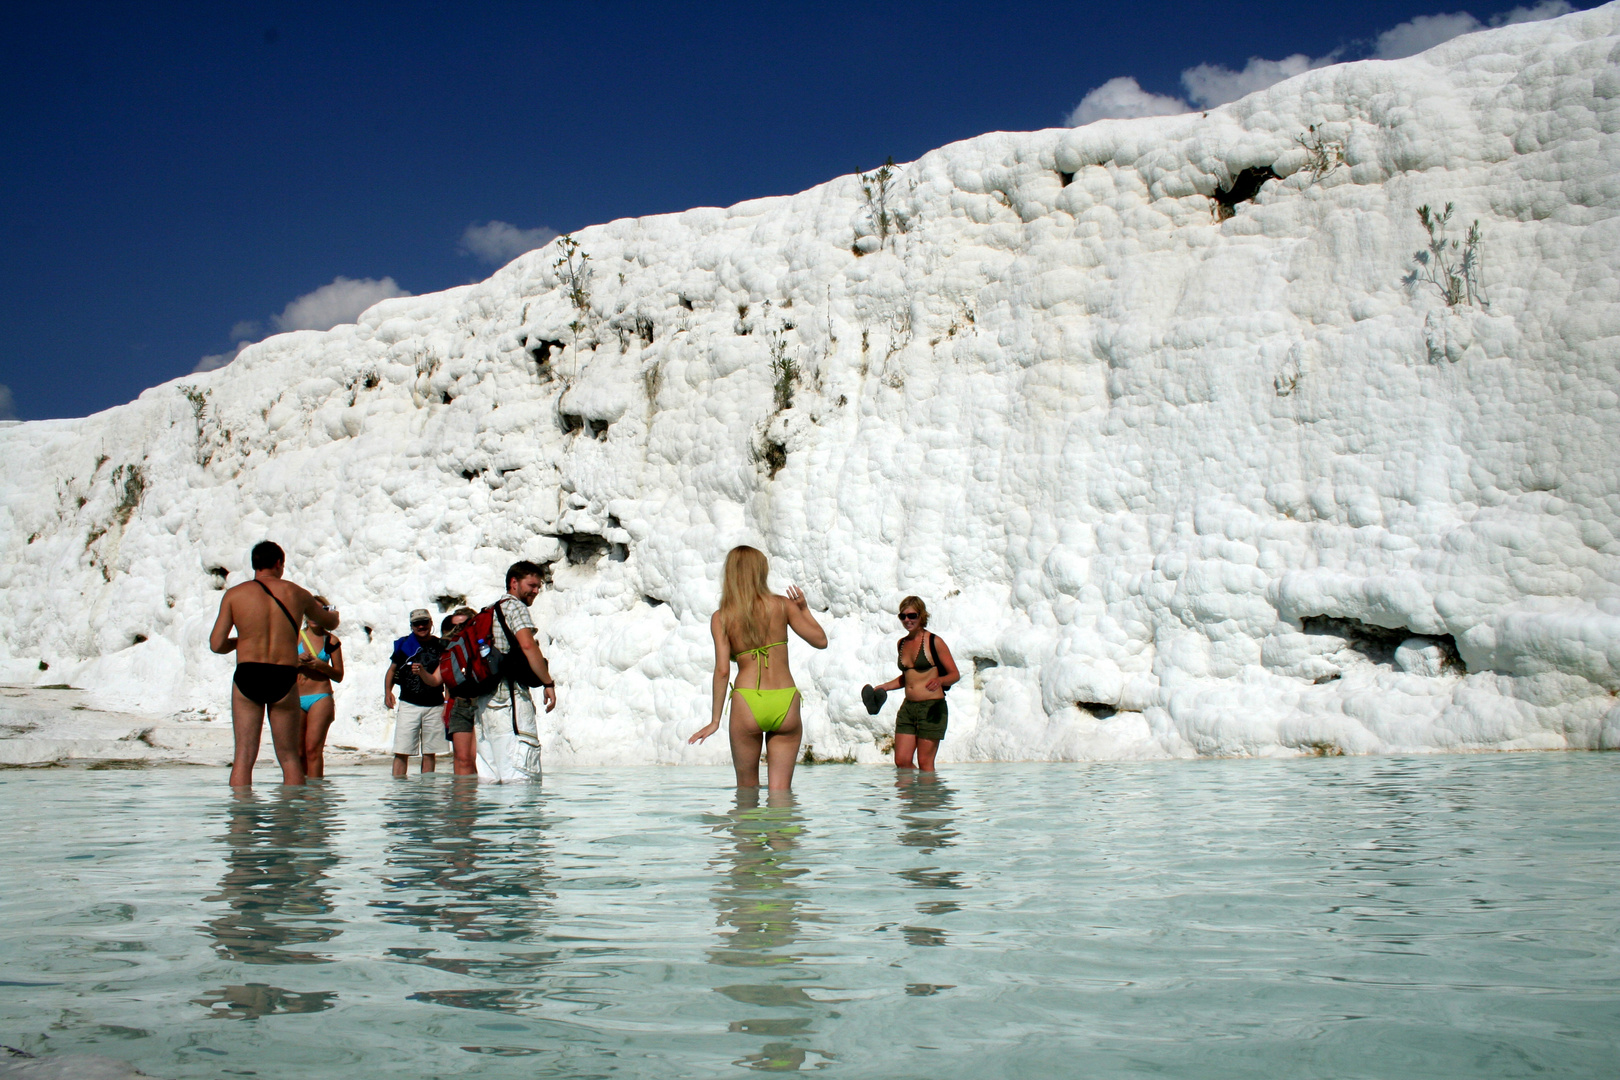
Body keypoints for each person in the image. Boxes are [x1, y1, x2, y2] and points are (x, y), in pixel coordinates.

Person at [688, 545, 828, 790]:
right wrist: (804, 610)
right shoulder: (782, 605)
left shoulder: (722, 617)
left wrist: (714, 720)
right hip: (785, 699)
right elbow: (821, 641)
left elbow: (722, 670)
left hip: (747, 701)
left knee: (746, 791)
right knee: (781, 794)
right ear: (760, 571)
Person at [208, 541, 340, 787]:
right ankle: (289, 819)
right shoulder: (296, 593)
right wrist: (334, 613)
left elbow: (216, 644)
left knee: (244, 758)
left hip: (249, 672)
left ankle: (240, 821)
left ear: (254, 563)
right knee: (289, 758)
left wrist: (241, 642)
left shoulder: (235, 595)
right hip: (283, 674)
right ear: (279, 563)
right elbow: (329, 622)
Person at [471, 563, 556, 783]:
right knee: (520, 776)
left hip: (484, 701)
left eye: (539, 586)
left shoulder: (488, 610)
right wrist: (548, 683)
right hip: (509, 699)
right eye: (532, 585)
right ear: (514, 583)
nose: (536, 591)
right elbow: (528, 646)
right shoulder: (514, 607)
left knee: (489, 776)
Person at [867, 596, 958, 772]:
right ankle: (911, 798)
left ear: (921, 615)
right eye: (903, 616)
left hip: (932, 708)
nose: (907, 620)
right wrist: (884, 687)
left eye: (912, 615)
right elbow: (907, 677)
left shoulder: (934, 641)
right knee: (902, 761)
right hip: (908, 708)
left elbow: (954, 674)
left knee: (925, 763)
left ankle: (928, 798)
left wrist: (940, 680)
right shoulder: (901, 643)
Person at [384, 608, 448, 776]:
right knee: (402, 750)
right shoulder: (404, 645)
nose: (421, 626)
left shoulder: (441, 645)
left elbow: (447, 676)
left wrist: (447, 702)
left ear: (431, 623)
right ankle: (399, 791)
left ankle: (427, 791)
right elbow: (392, 670)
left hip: (434, 704)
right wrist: (387, 692)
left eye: (424, 622)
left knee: (430, 751)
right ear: (411, 626)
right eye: (417, 624)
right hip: (409, 703)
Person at [295, 597, 344, 779]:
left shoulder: (331, 641)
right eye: (311, 611)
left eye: (319, 611)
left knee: (313, 750)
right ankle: (299, 797)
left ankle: (315, 797)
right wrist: (297, 661)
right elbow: (280, 664)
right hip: (296, 697)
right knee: (298, 752)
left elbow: (339, 675)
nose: (314, 616)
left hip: (320, 696)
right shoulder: (296, 636)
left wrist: (320, 665)